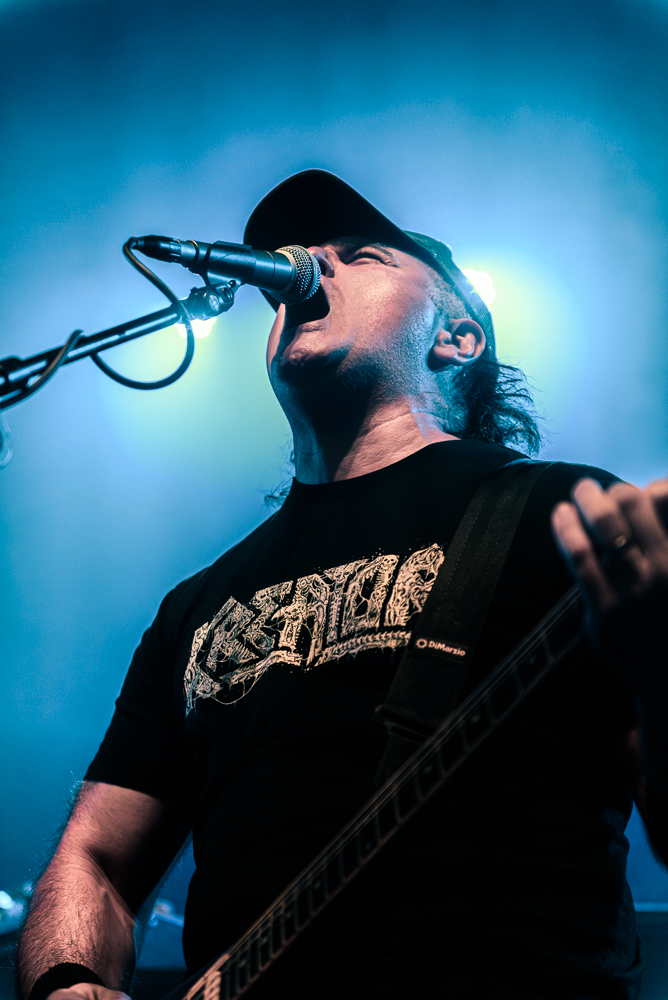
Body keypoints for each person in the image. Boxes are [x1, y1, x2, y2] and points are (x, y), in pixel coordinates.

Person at [16, 170, 668, 1000]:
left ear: (457, 337)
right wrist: (65, 982)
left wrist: (660, 670)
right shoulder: (198, 604)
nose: (310, 264)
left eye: (359, 255)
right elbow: (96, 859)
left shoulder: (561, 513)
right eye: (303, 252)